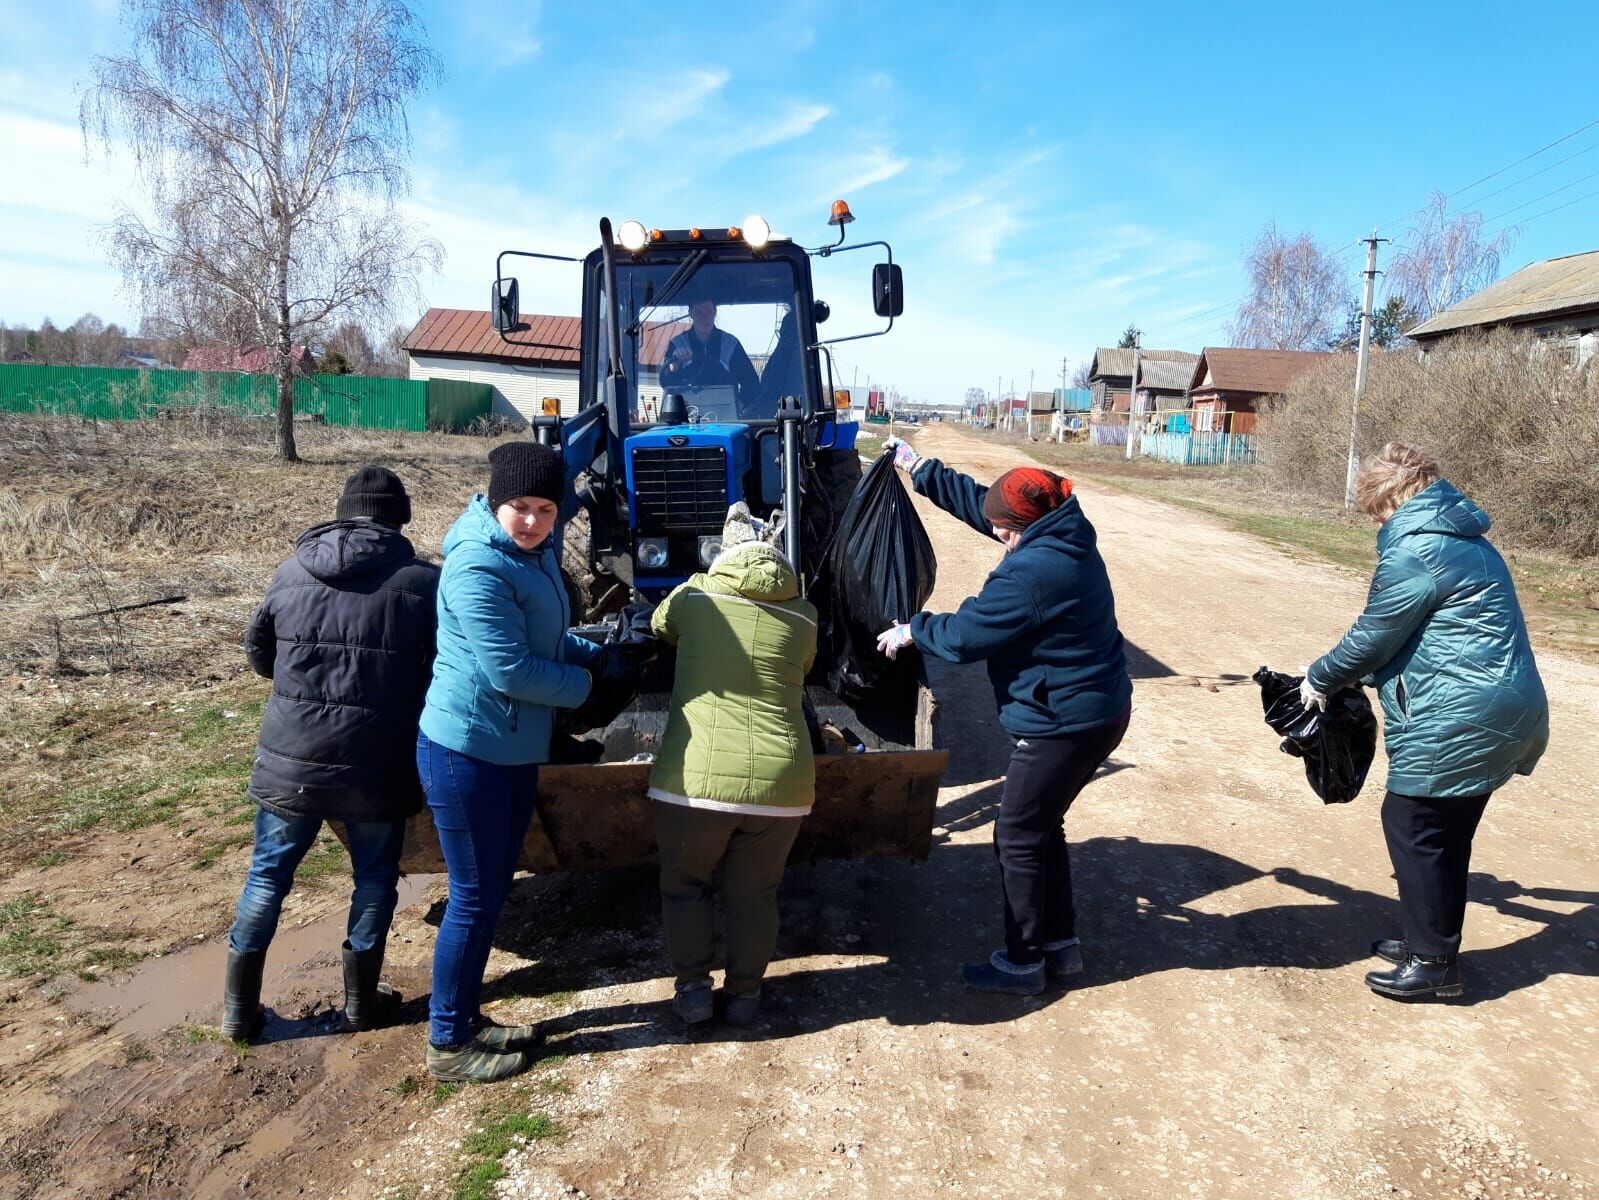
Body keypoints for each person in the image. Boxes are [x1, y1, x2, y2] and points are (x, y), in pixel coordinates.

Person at [877, 438, 1131, 995]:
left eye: (1005, 531)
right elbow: (987, 507)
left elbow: (967, 635)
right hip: (1098, 710)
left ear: (1026, 526)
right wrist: (920, 470)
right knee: (1042, 827)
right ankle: (1061, 949)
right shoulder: (1061, 526)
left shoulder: (1034, 573)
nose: (998, 537)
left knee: (1015, 836)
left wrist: (912, 629)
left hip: (1066, 723)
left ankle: (1022, 963)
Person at [1301, 443, 1547, 1001]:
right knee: (1446, 830)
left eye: (1374, 508)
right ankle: (1427, 940)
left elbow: (1375, 634)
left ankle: (1435, 964)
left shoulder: (1418, 550)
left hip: (1461, 707)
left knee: (1413, 823)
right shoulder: (1468, 540)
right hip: (1503, 702)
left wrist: (1319, 678)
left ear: (1390, 497)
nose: (1374, 520)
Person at [224, 466, 439, 1043]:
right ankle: (361, 1004)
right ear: (401, 519)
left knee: (266, 879)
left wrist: (302, 689)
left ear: (344, 511)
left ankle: (238, 1013)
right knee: (373, 878)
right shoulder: (422, 583)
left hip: (289, 757)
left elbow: (259, 652)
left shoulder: (292, 569)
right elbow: (441, 668)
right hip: (376, 760)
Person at [416, 441, 600, 1081]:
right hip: (469, 751)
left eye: (545, 509)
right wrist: (587, 686)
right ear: (496, 503)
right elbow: (510, 668)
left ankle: (465, 1018)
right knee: (471, 899)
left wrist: (592, 649)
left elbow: (540, 637)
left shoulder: (535, 552)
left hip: (511, 748)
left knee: (489, 893)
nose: (531, 521)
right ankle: (447, 1043)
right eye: (519, 507)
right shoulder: (477, 566)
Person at [647, 504, 817, 1027]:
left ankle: (694, 991)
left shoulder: (696, 597)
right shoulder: (805, 616)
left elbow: (659, 626)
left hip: (695, 783)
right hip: (783, 785)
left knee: (686, 885)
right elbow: (803, 668)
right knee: (755, 895)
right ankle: (745, 997)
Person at [659, 297, 761, 411]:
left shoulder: (731, 345)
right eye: (699, 312)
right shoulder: (677, 344)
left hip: (726, 421)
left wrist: (737, 406)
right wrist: (674, 368)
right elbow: (666, 385)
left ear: (715, 312)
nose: (704, 317)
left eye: (709, 311)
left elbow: (752, 384)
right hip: (686, 419)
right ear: (690, 313)